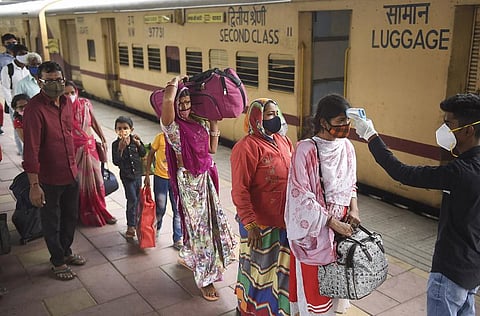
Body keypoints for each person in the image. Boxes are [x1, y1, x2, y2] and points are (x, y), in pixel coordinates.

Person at [350, 93, 480, 316]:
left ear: (468, 130)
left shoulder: (459, 172)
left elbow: (402, 172)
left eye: (448, 123)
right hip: (472, 273)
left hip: (449, 274)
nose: (443, 129)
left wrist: (370, 135)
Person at [160, 75, 236, 302]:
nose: (184, 107)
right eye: (180, 104)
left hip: (206, 180)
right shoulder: (172, 127)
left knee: (211, 226)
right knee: (201, 231)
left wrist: (214, 124)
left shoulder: (198, 123)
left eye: (187, 103)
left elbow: (212, 150)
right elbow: (166, 102)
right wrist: (174, 82)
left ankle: (188, 255)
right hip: (189, 184)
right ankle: (206, 279)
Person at [284, 94, 361, 315]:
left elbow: (351, 184)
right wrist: (331, 222)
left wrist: (354, 208)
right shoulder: (305, 149)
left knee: (336, 283)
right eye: (339, 122)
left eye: (347, 121)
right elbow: (300, 195)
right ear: (323, 122)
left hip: (342, 230)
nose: (345, 127)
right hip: (316, 231)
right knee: (316, 289)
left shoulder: (347, 147)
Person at [23, 61, 86, 281]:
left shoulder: (67, 101)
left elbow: (68, 135)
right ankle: (57, 261)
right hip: (48, 178)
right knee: (51, 221)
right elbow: (31, 150)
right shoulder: (34, 109)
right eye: (49, 81)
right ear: (39, 82)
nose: (55, 84)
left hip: (70, 172)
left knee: (70, 217)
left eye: (58, 80)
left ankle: (66, 252)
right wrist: (34, 185)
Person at [230, 98, 293, 315]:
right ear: (256, 118)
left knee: (278, 275)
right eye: (268, 115)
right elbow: (240, 189)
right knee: (256, 272)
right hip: (258, 226)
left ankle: (271, 311)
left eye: (276, 113)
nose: (273, 118)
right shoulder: (246, 147)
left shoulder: (284, 141)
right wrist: (250, 223)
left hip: (282, 224)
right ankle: (246, 310)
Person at [65, 81, 117, 226]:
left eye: (72, 92)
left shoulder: (85, 104)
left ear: (76, 92)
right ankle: (83, 213)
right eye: (66, 93)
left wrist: (103, 138)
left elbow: (93, 122)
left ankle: (102, 211)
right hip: (74, 150)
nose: (70, 96)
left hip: (90, 147)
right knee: (80, 184)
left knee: (98, 181)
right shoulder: (60, 109)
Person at [144, 132, 182, 249]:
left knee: (177, 209)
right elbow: (150, 154)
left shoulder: (180, 138)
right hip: (160, 178)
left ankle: (178, 238)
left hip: (175, 180)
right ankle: (157, 228)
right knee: (161, 208)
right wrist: (147, 174)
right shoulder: (160, 138)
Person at [112, 116, 146, 238]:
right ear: (115, 130)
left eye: (125, 128)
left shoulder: (135, 140)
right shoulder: (115, 144)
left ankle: (138, 221)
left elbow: (143, 153)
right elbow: (116, 161)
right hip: (127, 177)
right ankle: (131, 225)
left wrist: (138, 144)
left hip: (138, 175)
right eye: (119, 128)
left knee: (138, 198)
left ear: (131, 129)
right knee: (132, 199)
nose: (123, 131)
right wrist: (121, 149)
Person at [0, 44, 29, 155]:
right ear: (14, 55)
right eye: (21, 54)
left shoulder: (27, 69)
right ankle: (23, 154)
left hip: (28, 104)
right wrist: (12, 106)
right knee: (18, 129)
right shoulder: (8, 69)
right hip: (16, 105)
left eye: (25, 53)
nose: (24, 56)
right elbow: (6, 89)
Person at [0, 33, 18, 135]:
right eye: (8, 43)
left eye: (14, 42)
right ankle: (21, 149)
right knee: (16, 121)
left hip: (26, 89)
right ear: (4, 44)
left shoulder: (24, 56)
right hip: (9, 90)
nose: (12, 45)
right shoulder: (1, 59)